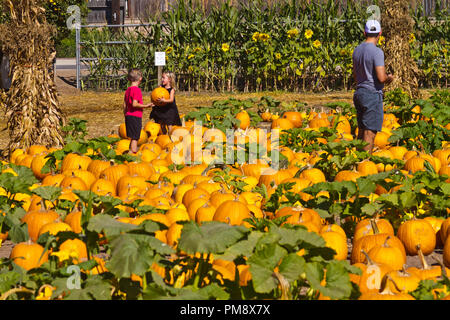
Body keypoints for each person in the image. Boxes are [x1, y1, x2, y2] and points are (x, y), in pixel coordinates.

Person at [352, 19, 394, 154]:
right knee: (370, 132)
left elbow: (355, 76)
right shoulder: (377, 52)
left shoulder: (357, 50)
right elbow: (381, 77)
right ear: (379, 33)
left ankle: (356, 163)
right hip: (372, 94)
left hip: (359, 93)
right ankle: (365, 163)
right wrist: (390, 78)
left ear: (365, 33)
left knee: (362, 130)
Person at [123, 68, 153, 154]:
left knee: (132, 137)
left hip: (128, 116)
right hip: (135, 116)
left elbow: (124, 104)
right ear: (140, 78)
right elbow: (134, 104)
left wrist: (125, 114)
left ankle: (129, 153)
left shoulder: (128, 90)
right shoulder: (136, 90)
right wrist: (146, 106)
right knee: (135, 137)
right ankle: (133, 154)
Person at [150, 71, 182, 135]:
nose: (162, 79)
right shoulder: (161, 87)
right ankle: (164, 135)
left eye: (164, 78)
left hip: (169, 110)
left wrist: (164, 100)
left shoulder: (172, 90)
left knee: (169, 124)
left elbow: (171, 100)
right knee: (162, 124)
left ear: (169, 79)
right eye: (162, 78)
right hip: (162, 109)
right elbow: (156, 95)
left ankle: (170, 136)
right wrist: (154, 102)